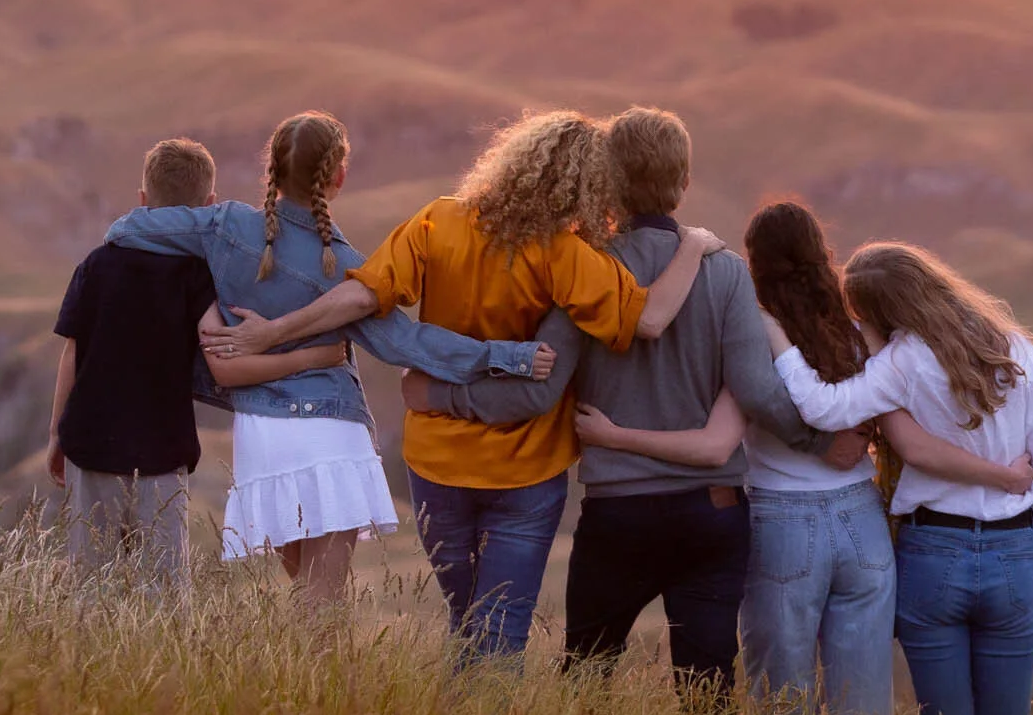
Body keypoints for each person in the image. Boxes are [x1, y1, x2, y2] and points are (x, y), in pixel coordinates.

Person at [403, 113, 1030, 715]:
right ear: (683, 182)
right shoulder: (724, 271)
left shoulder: (585, 266)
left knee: (586, 681)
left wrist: (444, 397)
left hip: (618, 510)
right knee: (708, 693)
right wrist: (822, 443)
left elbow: (538, 393)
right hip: (711, 513)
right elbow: (757, 389)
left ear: (608, 180)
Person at [207, 110, 717, 664]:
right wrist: (693, 246)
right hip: (526, 470)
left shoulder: (440, 220)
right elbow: (650, 320)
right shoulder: (568, 254)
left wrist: (273, 332)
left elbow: (362, 296)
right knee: (498, 635)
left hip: (438, 463)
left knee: (466, 622)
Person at [101, 113, 552, 623]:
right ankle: (317, 677)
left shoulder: (223, 224)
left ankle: (308, 675)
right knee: (324, 608)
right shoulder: (345, 264)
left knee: (310, 599)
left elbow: (128, 229)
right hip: (329, 433)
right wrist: (504, 356)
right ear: (338, 175)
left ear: (271, 169)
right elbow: (408, 345)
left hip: (261, 437)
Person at [762, 241, 1033, 715]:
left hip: (934, 555)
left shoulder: (900, 363)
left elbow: (821, 408)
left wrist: (778, 341)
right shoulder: (1016, 350)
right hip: (1013, 554)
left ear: (879, 313)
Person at [45, 137, 347, 593]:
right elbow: (222, 357)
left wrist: (56, 434)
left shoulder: (96, 265)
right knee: (164, 596)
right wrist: (308, 355)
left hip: (88, 447)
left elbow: (72, 352)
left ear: (142, 199)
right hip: (162, 456)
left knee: (90, 589)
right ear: (209, 205)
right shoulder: (195, 276)